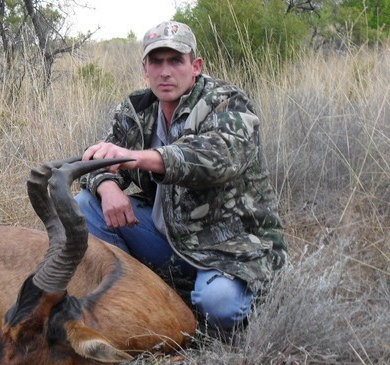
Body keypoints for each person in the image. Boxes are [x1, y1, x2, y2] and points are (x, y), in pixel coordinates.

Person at [76, 21, 287, 333]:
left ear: (195, 66)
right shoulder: (136, 108)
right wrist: (107, 186)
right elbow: (97, 160)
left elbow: (215, 159)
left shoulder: (227, 101)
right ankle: (131, 297)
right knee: (86, 204)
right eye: (156, 62)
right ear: (145, 68)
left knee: (220, 306)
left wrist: (138, 157)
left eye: (175, 61)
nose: (165, 72)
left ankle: (231, 298)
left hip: (226, 245)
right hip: (167, 239)